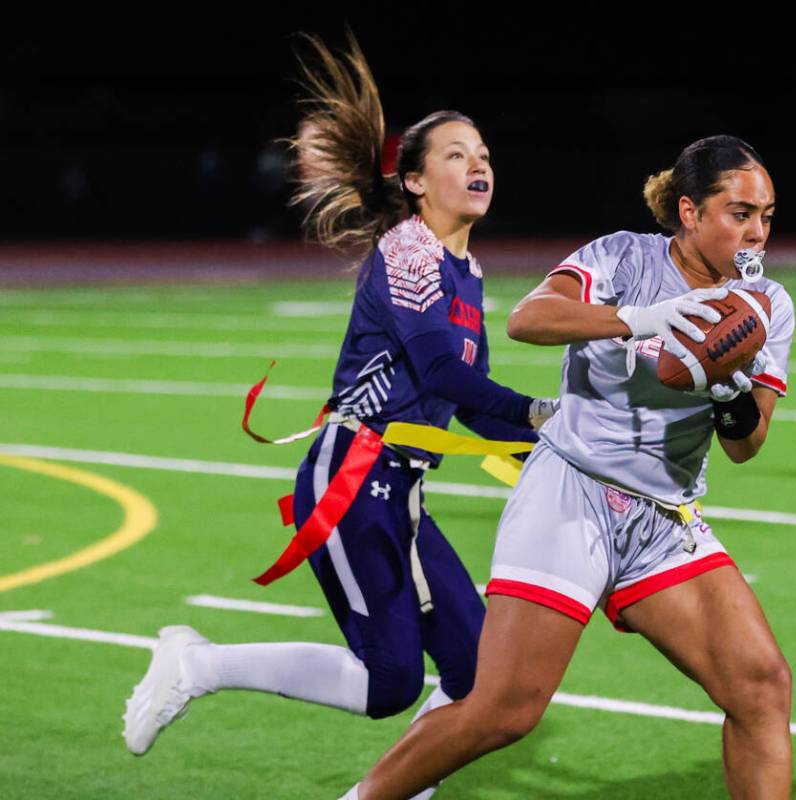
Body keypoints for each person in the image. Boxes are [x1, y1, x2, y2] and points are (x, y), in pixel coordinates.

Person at [121, 34, 555, 798]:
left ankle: (403, 785)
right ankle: (199, 663)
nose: (477, 162)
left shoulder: (466, 267)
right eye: (455, 154)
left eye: (482, 150)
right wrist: (539, 412)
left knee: (479, 674)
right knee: (389, 682)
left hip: (402, 488)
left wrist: (557, 439)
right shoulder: (411, 250)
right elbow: (439, 372)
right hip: (354, 479)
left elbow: (465, 398)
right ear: (416, 181)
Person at [335, 135, 796, 800]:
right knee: (505, 710)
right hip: (572, 492)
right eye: (741, 213)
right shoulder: (624, 256)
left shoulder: (768, 305)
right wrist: (638, 319)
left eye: (767, 216)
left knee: (761, 686)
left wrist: (728, 393)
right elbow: (529, 319)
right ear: (691, 212)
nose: (757, 233)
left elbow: (745, 444)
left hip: (665, 517)